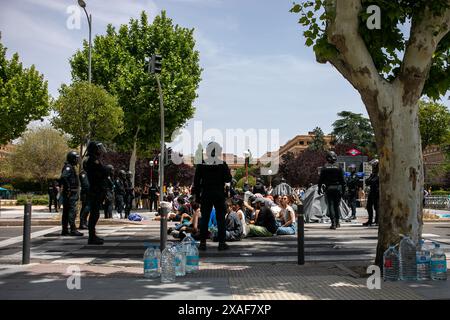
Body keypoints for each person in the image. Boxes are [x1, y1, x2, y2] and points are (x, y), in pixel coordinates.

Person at [193, 142, 232, 251]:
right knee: (221, 219)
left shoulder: (201, 164)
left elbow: (196, 182)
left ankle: (203, 243)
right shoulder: (222, 164)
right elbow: (228, 179)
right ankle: (222, 243)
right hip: (219, 193)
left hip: (206, 193)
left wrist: (197, 196)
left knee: (205, 218)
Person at [83, 141, 108, 245]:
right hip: (95, 190)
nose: (100, 150)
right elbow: (103, 171)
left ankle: (93, 235)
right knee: (94, 214)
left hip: (97, 190)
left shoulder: (93, 159)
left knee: (95, 213)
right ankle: (91, 237)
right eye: (98, 148)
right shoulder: (93, 160)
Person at [318, 151, 346, 230]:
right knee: (336, 206)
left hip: (329, 188)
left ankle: (333, 223)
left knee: (330, 205)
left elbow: (320, 180)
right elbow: (343, 181)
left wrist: (319, 188)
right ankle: (337, 222)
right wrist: (344, 190)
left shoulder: (324, 167)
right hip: (338, 188)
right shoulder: (339, 167)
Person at [59, 151, 83, 236]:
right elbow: (63, 177)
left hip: (70, 193)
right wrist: (68, 188)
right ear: (72, 158)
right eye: (76, 158)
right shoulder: (68, 167)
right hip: (70, 194)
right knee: (71, 211)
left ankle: (65, 229)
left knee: (66, 211)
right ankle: (73, 229)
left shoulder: (70, 166)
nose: (77, 160)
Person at [364, 159, 380, 226]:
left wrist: (370, 180)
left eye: (374, 166)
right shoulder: (373, 174)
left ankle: (377, 220)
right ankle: (370, 220)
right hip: (372, 191)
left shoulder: (379, 173)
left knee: (377, 207)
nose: (373, 167)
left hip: (377, 192)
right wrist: (370, 179)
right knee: (368, 206)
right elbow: (367, 182)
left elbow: (373, 181)